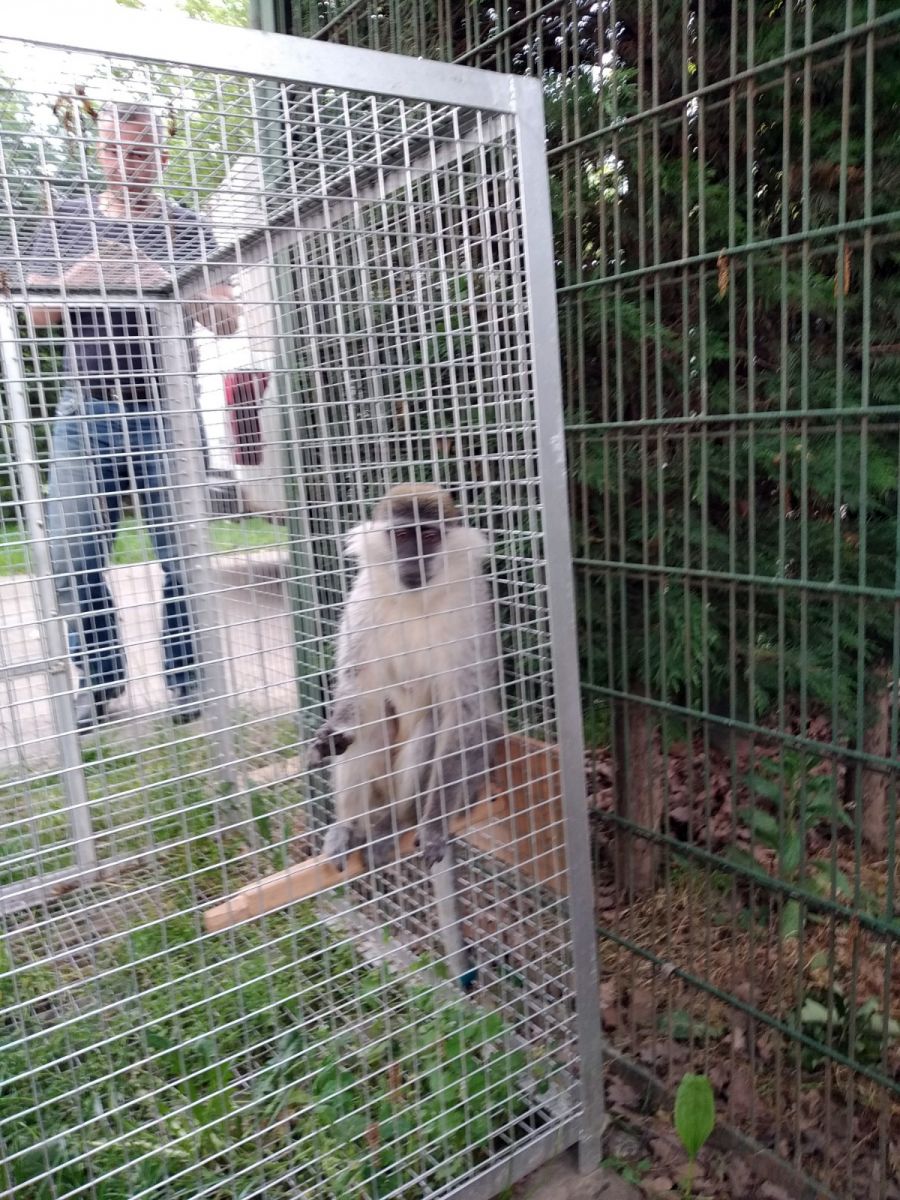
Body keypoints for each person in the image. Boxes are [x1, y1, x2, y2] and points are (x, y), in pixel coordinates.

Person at [25, 100, 239, 731]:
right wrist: (83, 277)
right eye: (116, 150)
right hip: (85, 409)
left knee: (185, 556)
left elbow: (228, 319)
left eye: (141, 152)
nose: (128, 163)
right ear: (100, 152)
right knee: (71, 554)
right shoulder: (65, 220)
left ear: (162, 158)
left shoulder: (188, 227)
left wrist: (161, 279)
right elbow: (33, 315)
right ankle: (99, 679)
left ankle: (188, 683)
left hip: (168, 408)